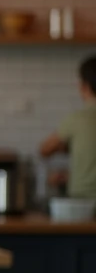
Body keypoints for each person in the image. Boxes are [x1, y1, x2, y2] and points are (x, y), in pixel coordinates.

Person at [39, 55, 96, 200]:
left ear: (84, 86)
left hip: (82, 203)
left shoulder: (78, 119)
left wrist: (64, 148)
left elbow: (44, 149)